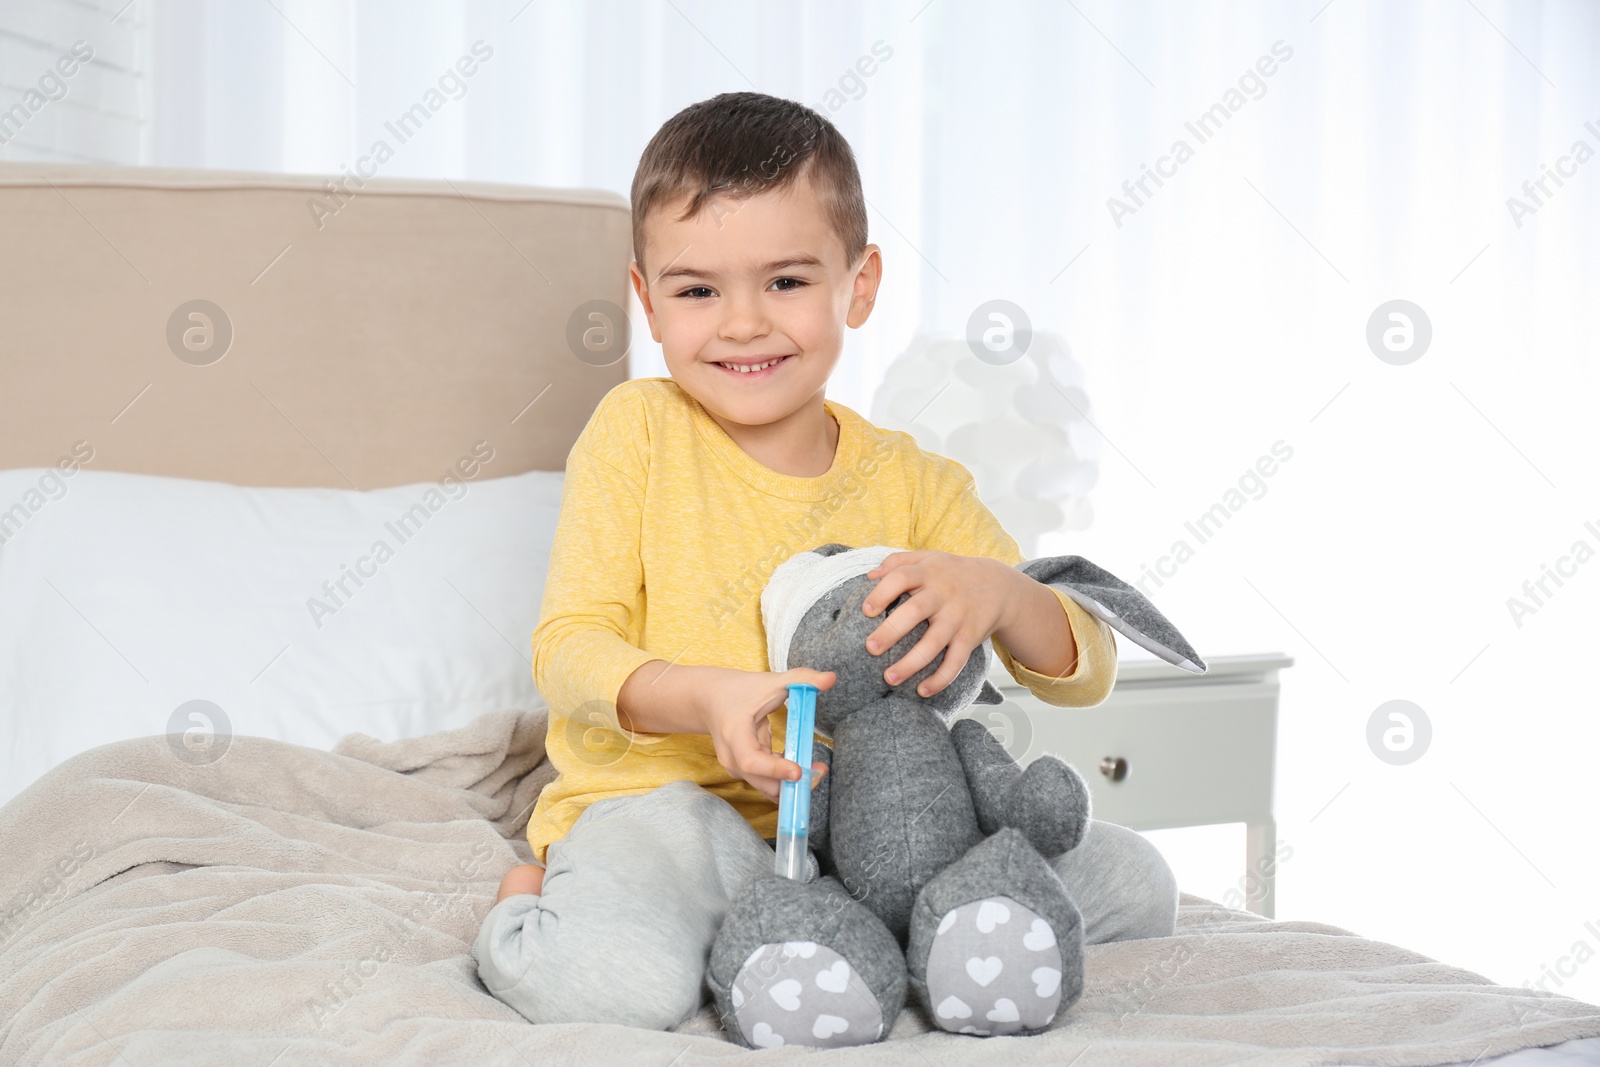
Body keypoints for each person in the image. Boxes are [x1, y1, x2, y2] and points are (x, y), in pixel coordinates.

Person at [473, 90, 1177, 1034]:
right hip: (671, 811)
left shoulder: (917, 481)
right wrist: (705, 696)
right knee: (608, 985)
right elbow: (568, 647)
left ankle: (873, 929)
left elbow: (1082, 666)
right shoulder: (636, 431)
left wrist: (1003, 594)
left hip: (873, 831)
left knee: (1140, 883)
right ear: (646, 298)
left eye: (787, 282)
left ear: (860, 282)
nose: (742, 324)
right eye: (696, 290)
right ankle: (534, 897)